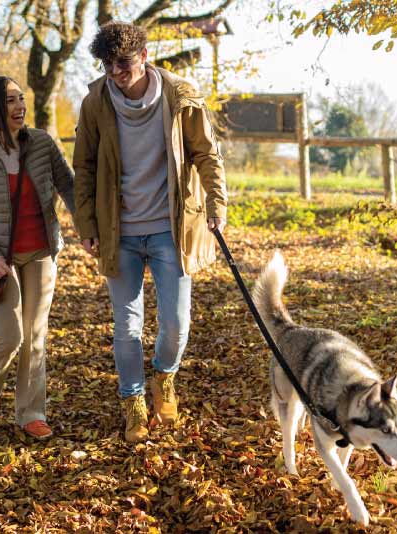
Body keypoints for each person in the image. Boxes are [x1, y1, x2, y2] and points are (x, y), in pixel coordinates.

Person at [73, 22, 228, 443]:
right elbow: (83, 166)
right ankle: (134, 404)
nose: (116, 73)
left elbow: (206, 154)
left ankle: (165, 377)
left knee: (177, 325)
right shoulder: (96, 102)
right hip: (118, 230)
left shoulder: (179, 96)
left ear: (144, 57)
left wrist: (217, 204)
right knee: (125, 328)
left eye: (123, 64)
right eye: (108, 65)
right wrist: (86, 223)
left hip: (169, 229)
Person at [0, 75, 75, 439]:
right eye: (10, 100)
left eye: (21, 98)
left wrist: (89, 228)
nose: (20, 106)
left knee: (36, 334)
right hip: (1, 260)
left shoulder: (40, 143)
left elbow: (68, 186)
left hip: (41, 251)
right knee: (10, 336)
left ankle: (30, 412)